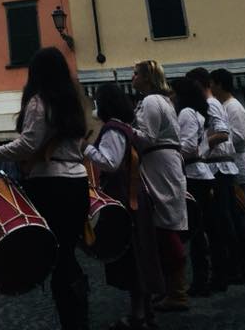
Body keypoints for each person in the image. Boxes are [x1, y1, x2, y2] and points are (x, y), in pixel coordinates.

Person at [0, 47, 90, 330]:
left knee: (57, 256)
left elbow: (27, 144)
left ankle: (72, 320)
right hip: (77, 181)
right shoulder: (72, 102)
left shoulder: (39, 102)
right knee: (67, 253)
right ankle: (78, 315)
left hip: (50, 183)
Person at [83, 83, 163, 329]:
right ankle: (145, 312)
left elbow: (110, 162)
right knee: (141, 254)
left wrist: (84, 148)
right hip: (135, 196)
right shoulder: (127, 127)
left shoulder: (113, 129)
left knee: (134, 258)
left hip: (126, 199)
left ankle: (139, 315)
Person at [132, 60, 188, 312]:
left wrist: (124, 130)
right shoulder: (163, 101)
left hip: (159, 164)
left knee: (165, 225)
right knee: (165, 224)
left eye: (135, 74)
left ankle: (177, 292)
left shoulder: (152, 101)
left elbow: (147, 137)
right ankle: (172, 288)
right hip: (164, 162)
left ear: (146, 78)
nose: (132, 78)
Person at [186, 66, 237, 291]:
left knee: (218, 223)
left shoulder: (210, 104)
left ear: (198, 84)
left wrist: (201, 149)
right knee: (220, 223)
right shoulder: (212, 103)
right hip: (217, 167)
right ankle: (226, 271)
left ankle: (224, 272)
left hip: (217, 168)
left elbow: (223, 132)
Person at [171, 76, 216, 296]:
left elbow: (188, 146)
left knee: (195, 230)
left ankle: (200, 280)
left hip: (192, 174)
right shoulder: (198, 113)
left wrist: (169, 153)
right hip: (200, 173)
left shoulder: (186, 113)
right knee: (201, 228)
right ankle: (203, 277)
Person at [209, 68, 245, 283]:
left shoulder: (233, 108)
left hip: (236, 164)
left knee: (242, 211)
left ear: (218, 84)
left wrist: (218, 138)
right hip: (233, 164)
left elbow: (240, 138)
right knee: (239, 211)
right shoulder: (227, 106)